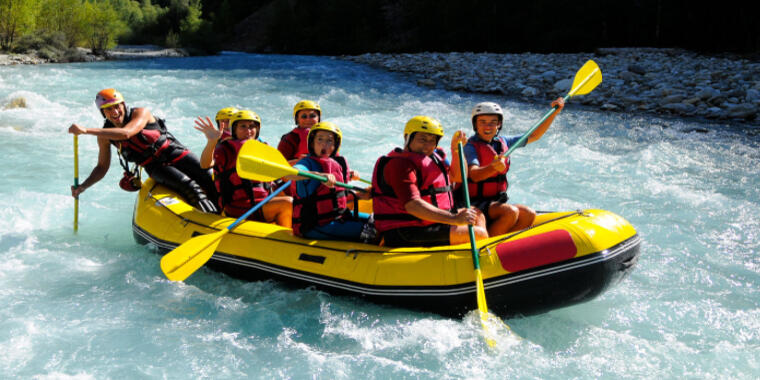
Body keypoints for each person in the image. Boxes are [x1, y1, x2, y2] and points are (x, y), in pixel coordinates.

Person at [68, 88, 218, 213]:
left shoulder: (141, 113)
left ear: (124, 105)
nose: (114, 111)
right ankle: (211, 219)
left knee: (211, 178)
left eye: (117, 106)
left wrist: (86, 130)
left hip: (175, 153)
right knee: (191, 188)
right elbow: (102, 167)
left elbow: (127, 132)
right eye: (108, 109)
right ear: (103, 113)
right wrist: (83, 187)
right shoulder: (105, 135)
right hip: (155, 167)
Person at [371, 116, 488, 247]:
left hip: (432, 221)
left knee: (476, 214)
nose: (427, 146)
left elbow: (459, 177)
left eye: (432, 140)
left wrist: (456, 150)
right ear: (407, 138)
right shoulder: (400, 164)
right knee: (479, 235)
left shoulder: (435, 157)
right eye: (422, 139)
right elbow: (413, 205)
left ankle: (469, 254)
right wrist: (454, 219)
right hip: (406, 230)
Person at [463, 99, 564, 236]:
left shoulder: (504, 142)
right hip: (475, 202)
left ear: (499, 124)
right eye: (483, 122)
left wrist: (554, 113)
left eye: (493, 122)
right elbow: (474, 174)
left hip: (496, 200)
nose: (488, 126)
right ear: (475, 124)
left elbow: (534, 135)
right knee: (510, 212)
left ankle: (504, 246)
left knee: (529, 214)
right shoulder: (470, 146)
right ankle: (488, 247)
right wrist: (492, 168)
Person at [195, 110, 292, 227]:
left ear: (257, 130)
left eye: (252, 127)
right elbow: (205, 164)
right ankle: (286, 238)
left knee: (292, 197)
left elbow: (285, 175)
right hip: (238, 207)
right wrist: (211, 142)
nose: (248, 131)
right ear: (234, 129)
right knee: (288, 203)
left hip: (261, 202)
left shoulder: (263, 148)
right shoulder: (226, 149)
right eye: (243, 126)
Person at [283, 121, 371, 240]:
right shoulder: (307, 163)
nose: (324, 144)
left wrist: (361, 194)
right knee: (372, 231)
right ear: (312, 143)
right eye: (320, 139)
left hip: (338, 217)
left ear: (335, 145)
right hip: (314, 225)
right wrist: (318, 175)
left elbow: (337, 197)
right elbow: (290, 173)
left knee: (378, 222)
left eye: (329, 141)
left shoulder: (337, 164)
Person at [194, 106, 238, 173]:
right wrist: (211, 142)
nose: (226, 125)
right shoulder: (218, 142)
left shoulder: (251, 139)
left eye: (229, 121)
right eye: (223, 121)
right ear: (218, 124)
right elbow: (205, 165)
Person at [277, 100, 321, 165]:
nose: (308, 119)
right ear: (297, 119)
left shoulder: (328, 136)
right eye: (304, 116)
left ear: (318, 118)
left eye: (312, 116)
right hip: (296, 173)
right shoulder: (289, 139)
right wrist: (299, 161)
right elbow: (279, 164)